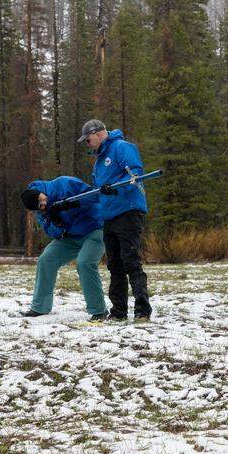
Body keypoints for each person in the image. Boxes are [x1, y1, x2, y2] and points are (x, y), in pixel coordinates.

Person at [78, 119, 151, 321]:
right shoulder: (99, 162)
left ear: (99, 133)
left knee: (131, 261)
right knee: (114, 265)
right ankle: (119, 311)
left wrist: (116, 187)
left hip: (128, 211)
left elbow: (135, 174)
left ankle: (142, 310)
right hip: (108, 216)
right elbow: (99, 190)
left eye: (88, 139)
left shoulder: (122, 147)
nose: (87, 143)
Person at [19, 177, 109, 321]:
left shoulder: (64, 184)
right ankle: (39, 307)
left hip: (95, 229)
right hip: (70, 237)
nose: (43, 204)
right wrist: (56, 220)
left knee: (84, 262)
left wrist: (71, 205)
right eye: (40, 206)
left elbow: (95, 195)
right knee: (45, 260)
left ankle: (99, 310)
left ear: (39, 192)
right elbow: (52, 233)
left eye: (41, 200)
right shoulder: (41, 212)